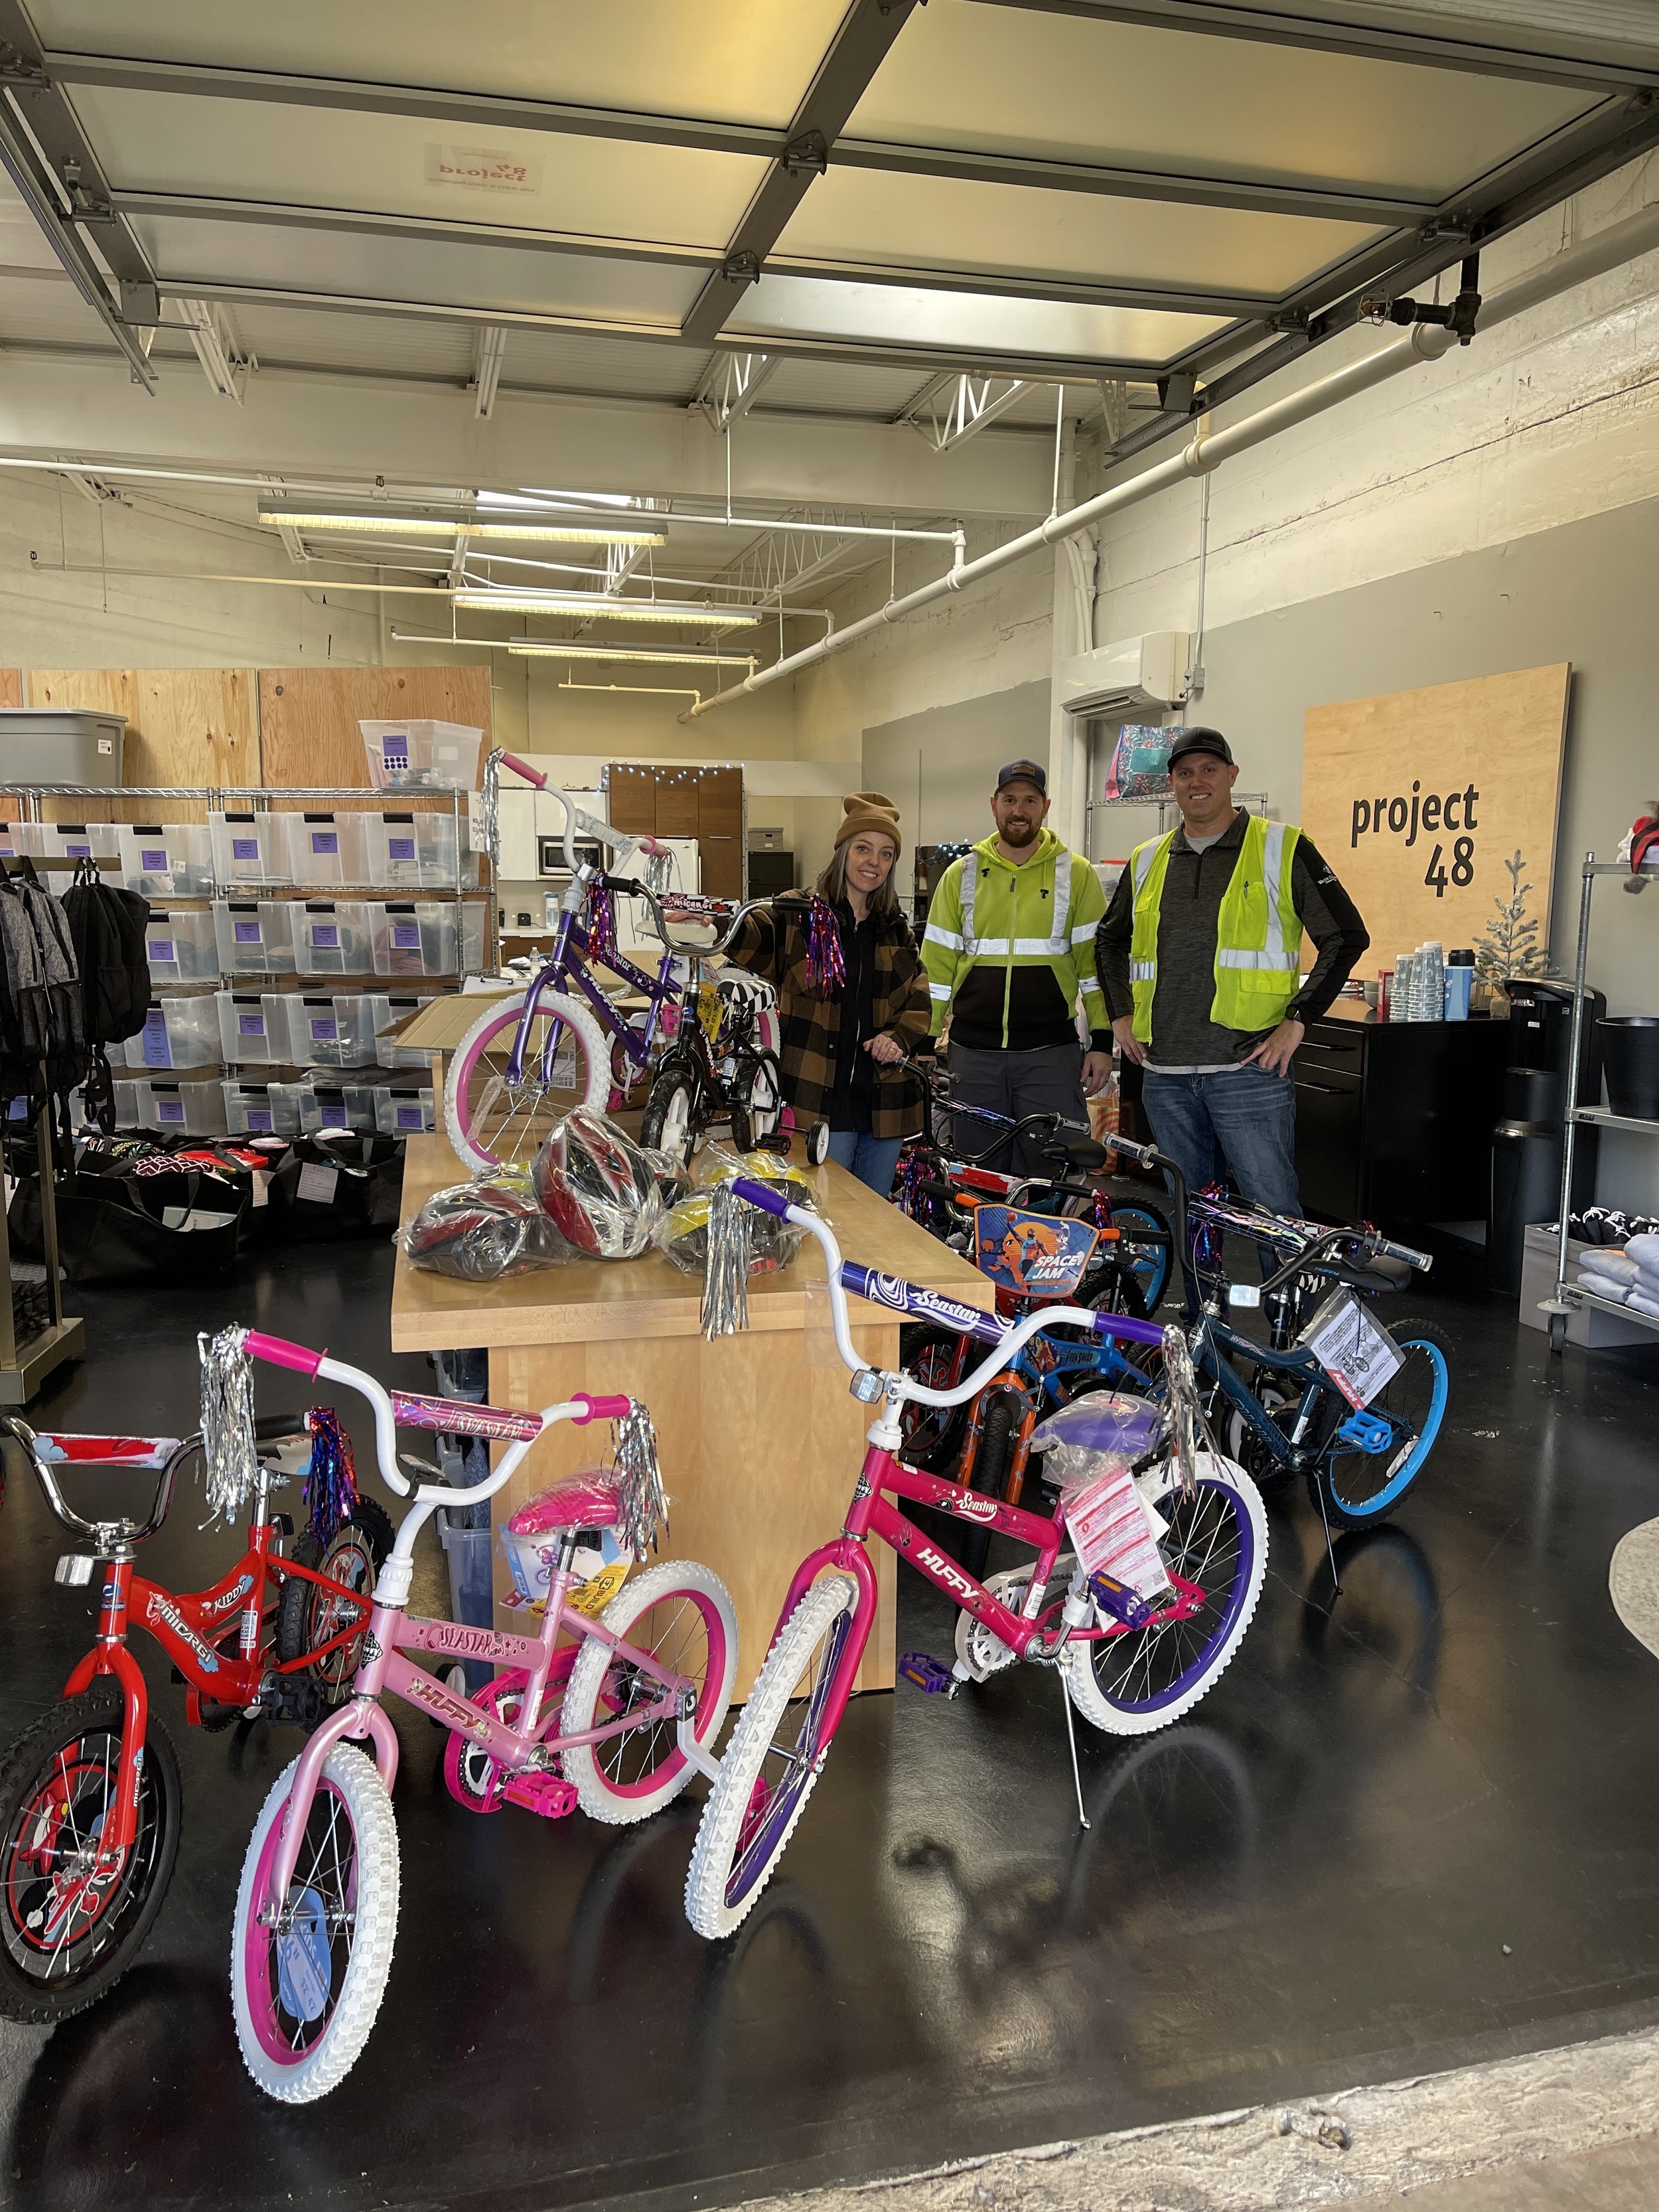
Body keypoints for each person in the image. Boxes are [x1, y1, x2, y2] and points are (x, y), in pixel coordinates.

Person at [1094, 727, 1369, 1215]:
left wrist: (1299, 1019)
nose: (1197, 781)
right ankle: (1205, 1298)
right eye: (1184, 773)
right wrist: (1119, 1014)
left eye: (1209, 769)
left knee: (1273, 1214)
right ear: (1172, 784)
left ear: (1232, 775)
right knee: (1191, 1215)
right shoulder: (1148, 858)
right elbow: (1109, 940)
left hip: (1249, 1071)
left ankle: (1285, 1297)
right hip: (1166, 1074)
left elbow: (1346, 935)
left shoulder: (1282, 847)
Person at [723, 791, 928, 1192]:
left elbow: (918, 998)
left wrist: (898, 1037)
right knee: (821, 1219)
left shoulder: (895, 929)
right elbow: (746, 933)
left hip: (883, 1109)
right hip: (818, 1106)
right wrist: (704, 922)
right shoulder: (798, 915)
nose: (874, 862)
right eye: (864, 848)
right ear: (843, 852)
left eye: (886, 854)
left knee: (876, 1229)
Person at [921, 758, 1110, 1173]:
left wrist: (1101, 1042)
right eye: (1010, 799)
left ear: (1045, 806)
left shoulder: (1076, 875)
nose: (1018, 810)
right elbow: (936, 970)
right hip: (974, 1057)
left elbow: (1094, 969)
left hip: (1050, 1057)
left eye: (1029, 799)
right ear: (994, 804)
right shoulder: (961, 875)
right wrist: (925, 1041)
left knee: (1050, 1175)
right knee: (978, 1176)